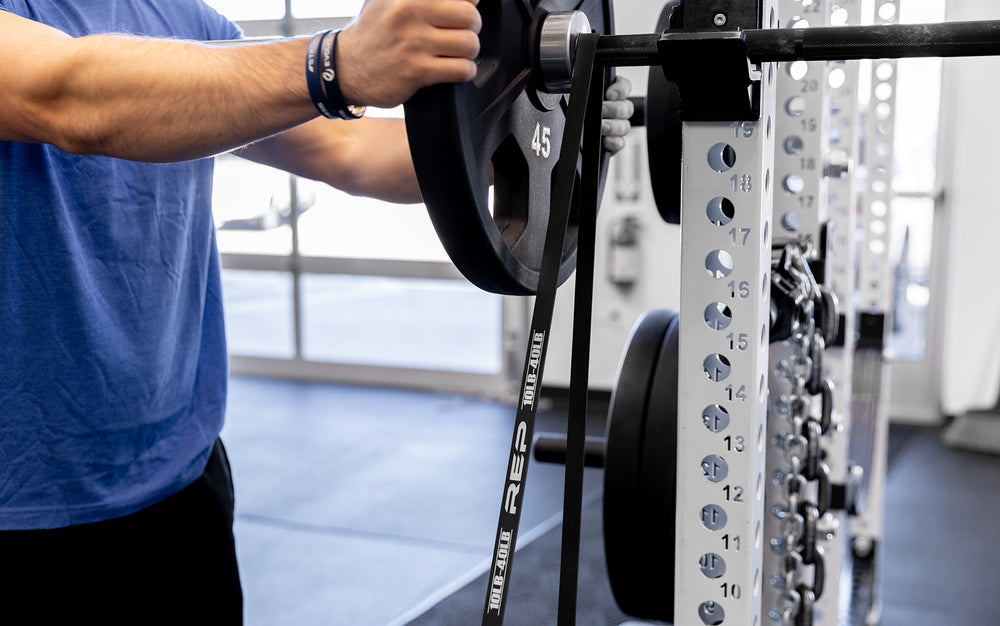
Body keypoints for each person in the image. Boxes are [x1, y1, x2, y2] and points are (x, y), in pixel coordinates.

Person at [0, 0, 632, 622]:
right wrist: (337, 63)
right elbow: (63, 96)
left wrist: (537, 136)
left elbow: (346, 151)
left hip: (181, 480)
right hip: (19, 509)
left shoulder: (185, 19)